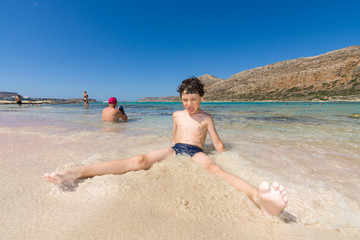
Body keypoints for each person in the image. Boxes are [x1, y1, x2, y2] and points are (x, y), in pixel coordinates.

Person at [44, 77, 288, 218]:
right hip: (177, 148)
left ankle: (259, 198)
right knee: (139, 160)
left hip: (197, 152)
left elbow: (217, 143)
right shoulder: (175, 114)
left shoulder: (206, 118)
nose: (189, 104)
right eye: (185, 100)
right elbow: (173, 140)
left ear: (201, 98)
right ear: (180, 99)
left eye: (193, 99)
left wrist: (226, 155)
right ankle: (76, 173)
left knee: (216, 170)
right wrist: (167, 153)